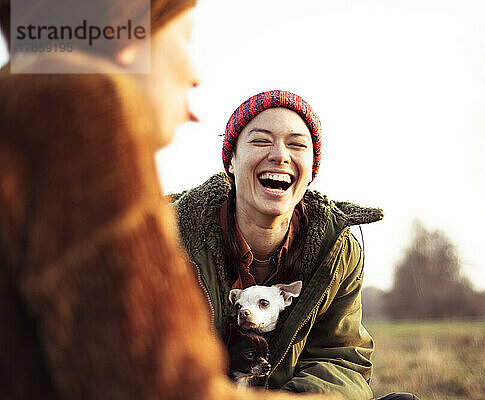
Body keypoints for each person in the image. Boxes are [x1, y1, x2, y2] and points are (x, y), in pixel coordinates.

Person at [0, 2, 335, 399]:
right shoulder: (78, 106)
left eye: (296, 144)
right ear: (127, 30)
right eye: (185, 37)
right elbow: (162, 387)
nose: (195, 76)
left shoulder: (30, 97)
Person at [173, 90, 418, 400]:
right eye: (261, 141)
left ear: (311, 169)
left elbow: (341, 359)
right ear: (231, 162)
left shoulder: (337, 251)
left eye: (297, 144)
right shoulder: (169, 237)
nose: (280, 155)